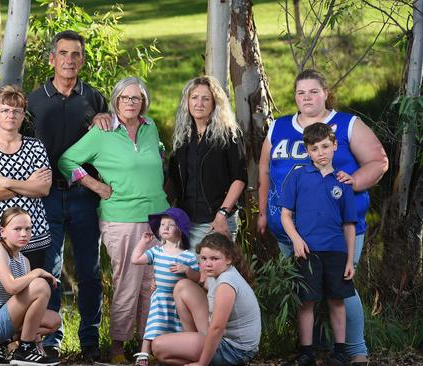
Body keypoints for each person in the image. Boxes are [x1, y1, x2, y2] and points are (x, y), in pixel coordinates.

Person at [257, 69, 388, 365]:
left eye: (313, 91)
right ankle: (312, 350)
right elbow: (264, 170)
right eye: (301, 92)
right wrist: (263, 211)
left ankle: (355, 350)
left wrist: (352, 182)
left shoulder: (346, 124)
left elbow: (378, 161)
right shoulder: (278, 127)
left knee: (341, 290)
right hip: (289, 231)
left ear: (326, 92)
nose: (307, 98)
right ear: (294, 96)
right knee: (306, 291)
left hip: (336, 231)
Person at [58, 76, 169, 362]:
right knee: (128, 282)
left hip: (158, 218)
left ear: (144, 102)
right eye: (124, 98)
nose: (130, 103)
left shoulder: (150, 127)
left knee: (154, 285)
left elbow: (156, 157)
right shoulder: (103, 132)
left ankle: (147, 348)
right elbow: (66, 161)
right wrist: (96, 186)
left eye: (136, 98)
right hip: (122, 218)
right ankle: (118, 347)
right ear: (116, 100)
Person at [26, 30, 107, 362]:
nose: (69, 60)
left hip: (84, 197)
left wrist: (107, 120)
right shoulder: (35, 99)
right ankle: (52, 339)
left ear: (82, 60)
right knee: (50, 270)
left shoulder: (96, 99)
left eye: (76, 55)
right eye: (63, 54)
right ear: (52, 59)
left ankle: (90, 340)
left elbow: (108, 147)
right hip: (46, 197)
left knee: (90, 270)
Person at [279, 123, 357, 366]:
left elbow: (349, 225)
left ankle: (340, 351)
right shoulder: (299, 175)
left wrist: (349, 259)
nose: (321, 152)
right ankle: (306, 352)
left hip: (335, 250)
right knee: (307, 301)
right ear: (308, 151)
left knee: (336, 300)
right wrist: (296, 239)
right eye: (314, 148)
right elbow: (285, 214)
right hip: (307, 250)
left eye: (325, 146)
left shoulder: (342, 182)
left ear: (334, 146)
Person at [0, 85, 52, 272]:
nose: (11, 115)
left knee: (34, 291)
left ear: (23, 116)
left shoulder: (36, 146)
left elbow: (43, 189)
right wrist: (28, 184)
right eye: (5, 110)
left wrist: (8, 182)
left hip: (33, 234)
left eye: (17, 111)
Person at [151, 233, 261, 366]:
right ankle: (190, 341)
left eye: (214, 258)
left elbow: (217, 328)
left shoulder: (227, 283)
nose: (208, 264)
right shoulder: (219, 273)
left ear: (229, 259)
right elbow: (201, 284)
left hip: (234, 350)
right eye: (203, 258)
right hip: (222, 340)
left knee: (158, 347)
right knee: (182, 286)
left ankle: (201, 359)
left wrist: (202, 363)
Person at [0, 207, 61, 365]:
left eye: (28, 229)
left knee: (54, 320)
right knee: (39, 285)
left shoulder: (24, 261)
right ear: (3, 231)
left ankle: (19, 345)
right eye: (17, 229)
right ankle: (24, 350)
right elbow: (11, 287)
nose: (24, 234)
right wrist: (38, 271)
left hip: (5, 320)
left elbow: (27, 308)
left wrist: (39, 346)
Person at [168, 76, 247, 247]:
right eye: (194, 97)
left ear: (215, 103)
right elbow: (175, 180)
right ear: (187, 102)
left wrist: (222, 214)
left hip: (216, 220)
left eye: (206, 98)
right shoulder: (183, 136)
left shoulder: (228, 134)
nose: (199, 103)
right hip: (187, 222)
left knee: (213, 273)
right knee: (189, 273)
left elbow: (239, 178)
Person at [130, 207, 199, 366]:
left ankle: (175, 352)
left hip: (179, 300)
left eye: (171, 225)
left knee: (177, 326)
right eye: (162, 225)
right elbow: (136, 259)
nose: (165, 227)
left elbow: (199, 278)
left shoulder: (188, 256)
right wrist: (143, 242)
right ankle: (144, 353)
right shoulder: (156, 251)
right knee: (154, 324)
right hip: (160, 296)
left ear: (180, 230)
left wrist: (187, 270)